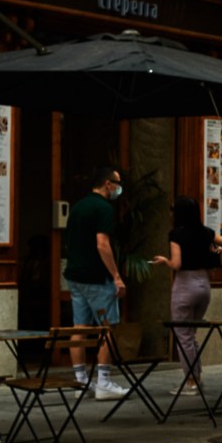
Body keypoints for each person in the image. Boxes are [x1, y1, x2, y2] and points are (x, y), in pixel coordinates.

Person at [151, 195, 222, 396]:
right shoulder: (206, 232)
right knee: (191, 334)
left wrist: (164, 261)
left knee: (183, 335)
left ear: (178, 213)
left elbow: (177, 264)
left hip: (185, 285)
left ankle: (190, 382)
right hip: (204, 285)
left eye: (173, 210)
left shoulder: (176, 234)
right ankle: (196, 377)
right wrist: (216, 261)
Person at [63, 165, 130, 401]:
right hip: (96, 277)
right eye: (118, 183)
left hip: (74, 275)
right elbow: (102, 244)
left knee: (79, 328)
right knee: (106, 329)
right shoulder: (103, 208)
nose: (119, 188)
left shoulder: (78, 206)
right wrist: (116, 276)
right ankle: (103, 382)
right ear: (108, 184)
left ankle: (80, 381)